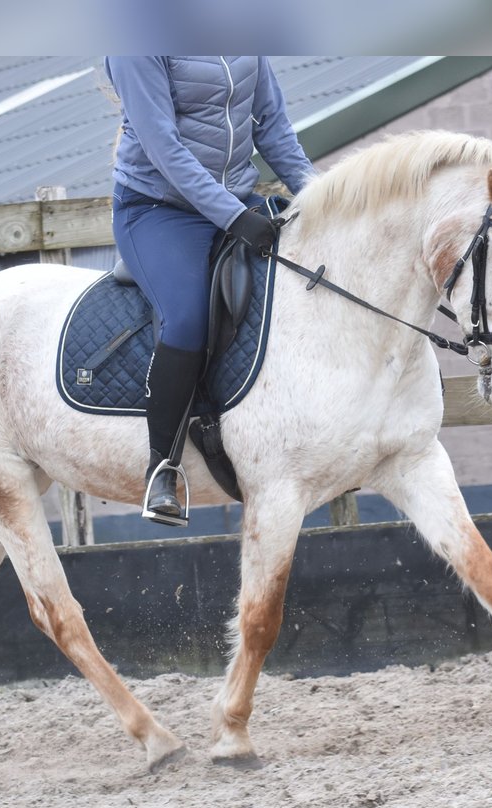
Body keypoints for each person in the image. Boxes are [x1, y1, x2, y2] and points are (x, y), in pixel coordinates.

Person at [105, 56, 318, 526]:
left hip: (236, 198)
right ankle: (162, 467)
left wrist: (325, 199)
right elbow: (163, 146)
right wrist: (234, 217)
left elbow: (273, 127)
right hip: (158, 209)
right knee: (186, 320)